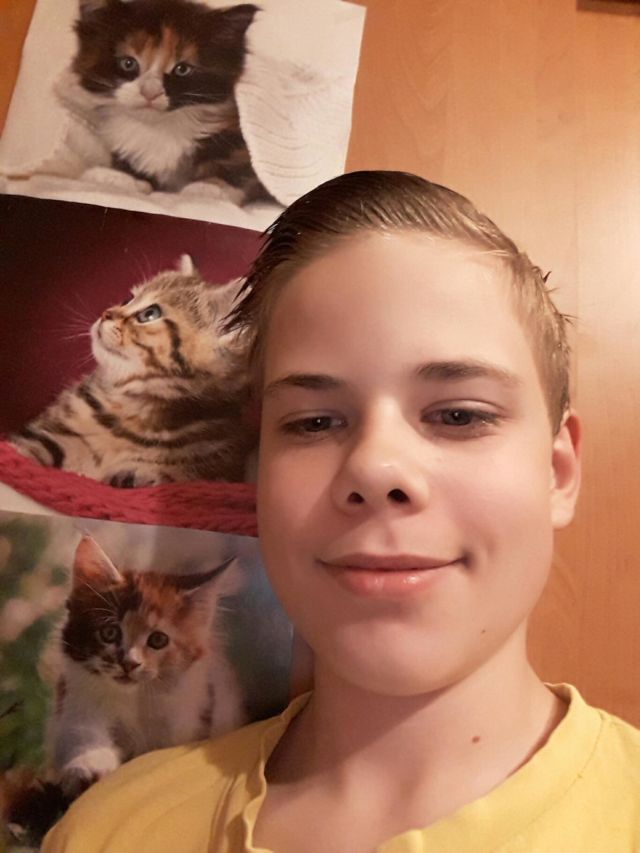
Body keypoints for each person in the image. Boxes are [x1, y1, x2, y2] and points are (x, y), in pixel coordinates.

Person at [42, 171, 640, 852]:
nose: (376, 468)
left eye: (459, 415)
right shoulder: (105, 832)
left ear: (558, 473)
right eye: (315, 421)